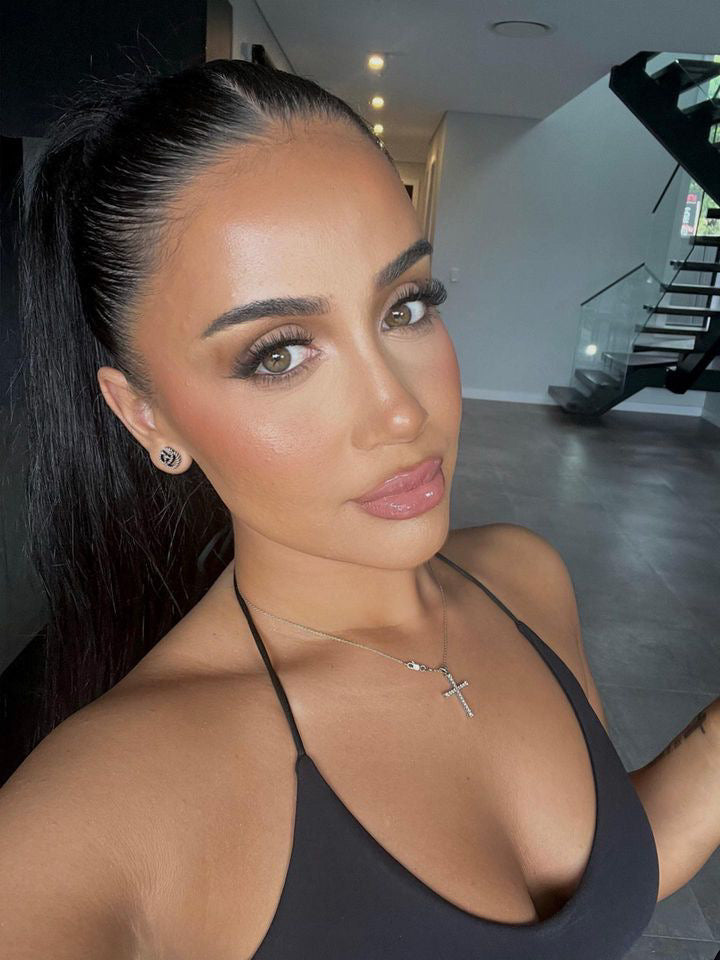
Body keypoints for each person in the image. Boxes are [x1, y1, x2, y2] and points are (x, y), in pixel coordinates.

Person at [0, 59, 659, 959]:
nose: (400, 411)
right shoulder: (94, 813)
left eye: (406, 307)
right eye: (279, 354)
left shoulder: (525, 578)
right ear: (145, 415)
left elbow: (607, 894)